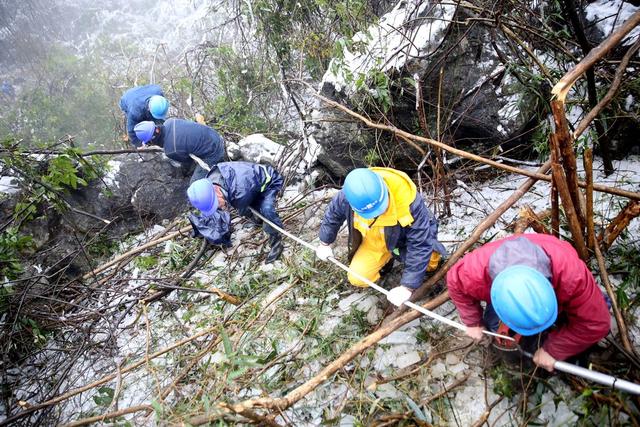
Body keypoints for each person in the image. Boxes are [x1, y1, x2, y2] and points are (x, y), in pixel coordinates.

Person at [446, 234, 611, 371]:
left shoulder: (571, 276)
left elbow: (597, 323)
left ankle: (564, 320)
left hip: (560, 268)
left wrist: (553, 350)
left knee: (594, 308)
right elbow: (454, 284)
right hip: (497, 281)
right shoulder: (473, 273)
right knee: (494, 324)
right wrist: (473, 322)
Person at [316, 168, 446, 306]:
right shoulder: (348, 195)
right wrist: (325, 242)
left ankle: (408, 261)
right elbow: (333, 215)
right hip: (374, 240)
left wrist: (408, 286)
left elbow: (420, 243)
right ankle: (386, 263)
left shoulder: (408, 201)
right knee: (358, 278)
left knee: (430, 262)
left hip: (403, 240)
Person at [187, 161, 285, 263]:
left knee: (266, 210)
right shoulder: (209, 181)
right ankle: (257, 219)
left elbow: (243, 202)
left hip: (269, 182)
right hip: (250, 185)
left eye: (216, 204)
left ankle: (276, 242)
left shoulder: (240, 194)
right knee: (243, 210)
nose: (218, 207)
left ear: (216, 190)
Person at [134, 118, 225, 183]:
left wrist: (183, 173)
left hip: (215, 151)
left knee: (194, 184)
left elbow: (188, 162)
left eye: (148, 143)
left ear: (152, 139)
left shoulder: (171, 150)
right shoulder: (170, 121)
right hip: (214, 134)